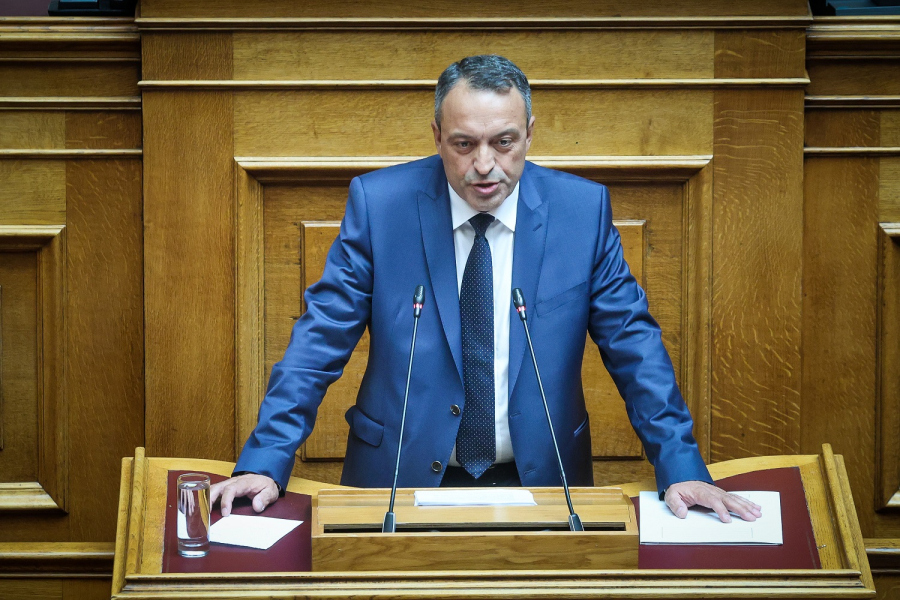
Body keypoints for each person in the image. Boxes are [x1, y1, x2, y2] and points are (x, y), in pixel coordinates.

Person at [211, 55, 761, 524]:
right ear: (437, 136)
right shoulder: (381, 207)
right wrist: (265, 459)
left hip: (543, 482)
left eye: (503, 142)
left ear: (529, 134)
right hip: (396, 482)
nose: (484, 165)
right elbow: (319, 340)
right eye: (463, 143)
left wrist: (680, 467)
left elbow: (634, 347)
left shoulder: (581, 212)